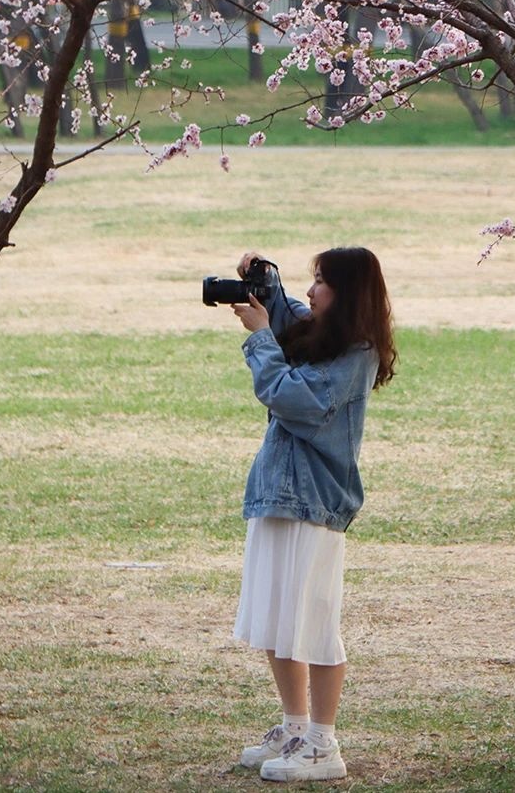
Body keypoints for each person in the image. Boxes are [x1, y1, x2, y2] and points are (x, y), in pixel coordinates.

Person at [228, 247, 396, 783]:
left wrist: (258, 337)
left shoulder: (356, 353)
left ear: (346, 293)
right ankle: (296, 727)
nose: (310, 292)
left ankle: (324, 745)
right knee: (278, 619)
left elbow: (289, 397)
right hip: (277, 496)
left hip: (316, 504)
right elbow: (290, 320)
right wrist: (262, 282)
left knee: (316, 624)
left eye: (319, 282)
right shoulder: (321, 335)